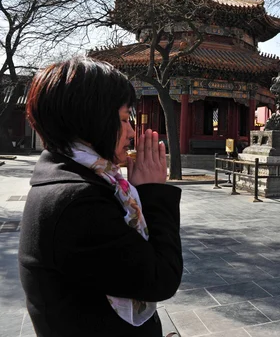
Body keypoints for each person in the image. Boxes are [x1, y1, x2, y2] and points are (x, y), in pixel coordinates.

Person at [18, 57, 183, 337]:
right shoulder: (77, 201)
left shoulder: (67, 175)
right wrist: (154, 193)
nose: (132, 131)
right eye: (123, 119)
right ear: (90, 119)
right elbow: (159, 278)